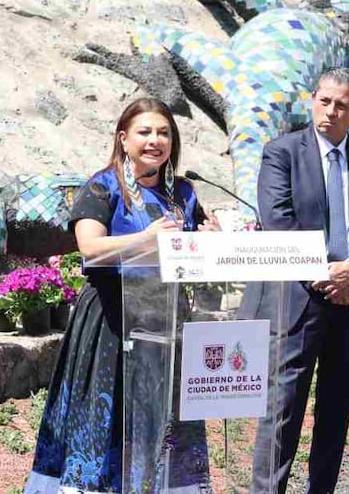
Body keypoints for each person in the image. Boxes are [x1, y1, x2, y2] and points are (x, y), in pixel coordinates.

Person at [25, 97, 218, 493]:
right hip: (112, 321)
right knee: (108, 421)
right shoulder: (102, 186)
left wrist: (213, 240)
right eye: (145, 132)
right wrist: (144, 239)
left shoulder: (183, 192)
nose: (155, 140)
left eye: (164, 132)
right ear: (123, 138)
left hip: (166, 322)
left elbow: (193, 247)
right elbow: (90, 249)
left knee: (164, 420)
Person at [240, 68, 349, 494]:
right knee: (283, 407)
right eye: (324, 101)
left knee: (336, 408)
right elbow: (278, 221)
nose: (331, 111)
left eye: (342, 104)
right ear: (313, 99)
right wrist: (328, 275)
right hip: (296, 300)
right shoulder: (282, 152)